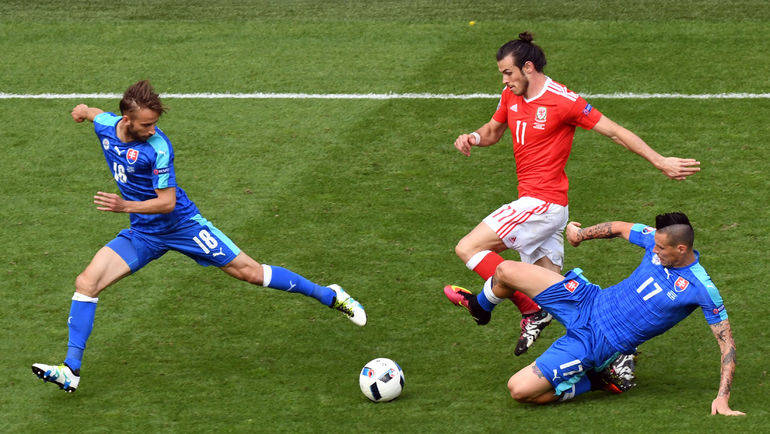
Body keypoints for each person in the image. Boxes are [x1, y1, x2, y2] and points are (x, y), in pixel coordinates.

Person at [31, 80, 366, 393]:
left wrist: (124, 206)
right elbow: (95, 113)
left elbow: (167, 202)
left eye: (155, 123)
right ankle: (71, 370)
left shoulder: (158, 148)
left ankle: (329, 295)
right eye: (146, 124)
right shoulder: (108, 125)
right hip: (144, 233)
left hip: (182, 226)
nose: (153, 130)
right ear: (126, 119)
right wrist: (82, 111)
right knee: (86, 282)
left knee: (250, 272)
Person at [446, 32, 701, 356]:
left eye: (508, 73)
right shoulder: (510, 95)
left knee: (468, 247)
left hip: (541, 204)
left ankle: (510, 307)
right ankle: (615, 354)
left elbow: (615, 131)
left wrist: (660, 160)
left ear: (528, 67)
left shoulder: (563, 100)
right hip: (551, 210)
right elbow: (493, 130)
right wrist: (473, 137)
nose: (504, 80)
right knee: (555, 295)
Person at [445, 212, 744, 416]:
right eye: (654, 244)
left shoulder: (701, 288)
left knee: (519, 390)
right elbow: (621, 228)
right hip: (586, 299)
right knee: (505, 270)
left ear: (681, 249)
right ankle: (482, 308)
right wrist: (580, 234)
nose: (654, 250)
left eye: (661, 249)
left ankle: (597, 379)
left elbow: (727, 344)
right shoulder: (658, 241)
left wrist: (722, 398)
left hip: (597, 342)